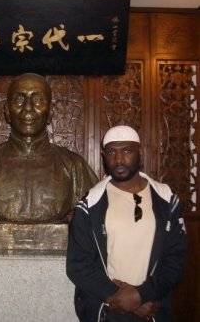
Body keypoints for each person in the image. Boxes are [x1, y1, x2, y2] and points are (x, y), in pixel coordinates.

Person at [0, 73, 98, 250]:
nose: (28, 108)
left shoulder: (74, 166)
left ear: (51, 112)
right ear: (7, 111)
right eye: (19, 100)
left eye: (38, 100)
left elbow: (96, 222)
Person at [66, 125, 187, 322]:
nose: (119, 159)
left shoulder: (166, 200)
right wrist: (119, 297)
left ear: (140, 153)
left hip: (152, 309)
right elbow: (78, 264)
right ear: (104, 156)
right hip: (106, 309)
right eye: (112, 152)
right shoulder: (89, 204)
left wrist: (142, 295)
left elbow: (175, 258)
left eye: (127, 151)